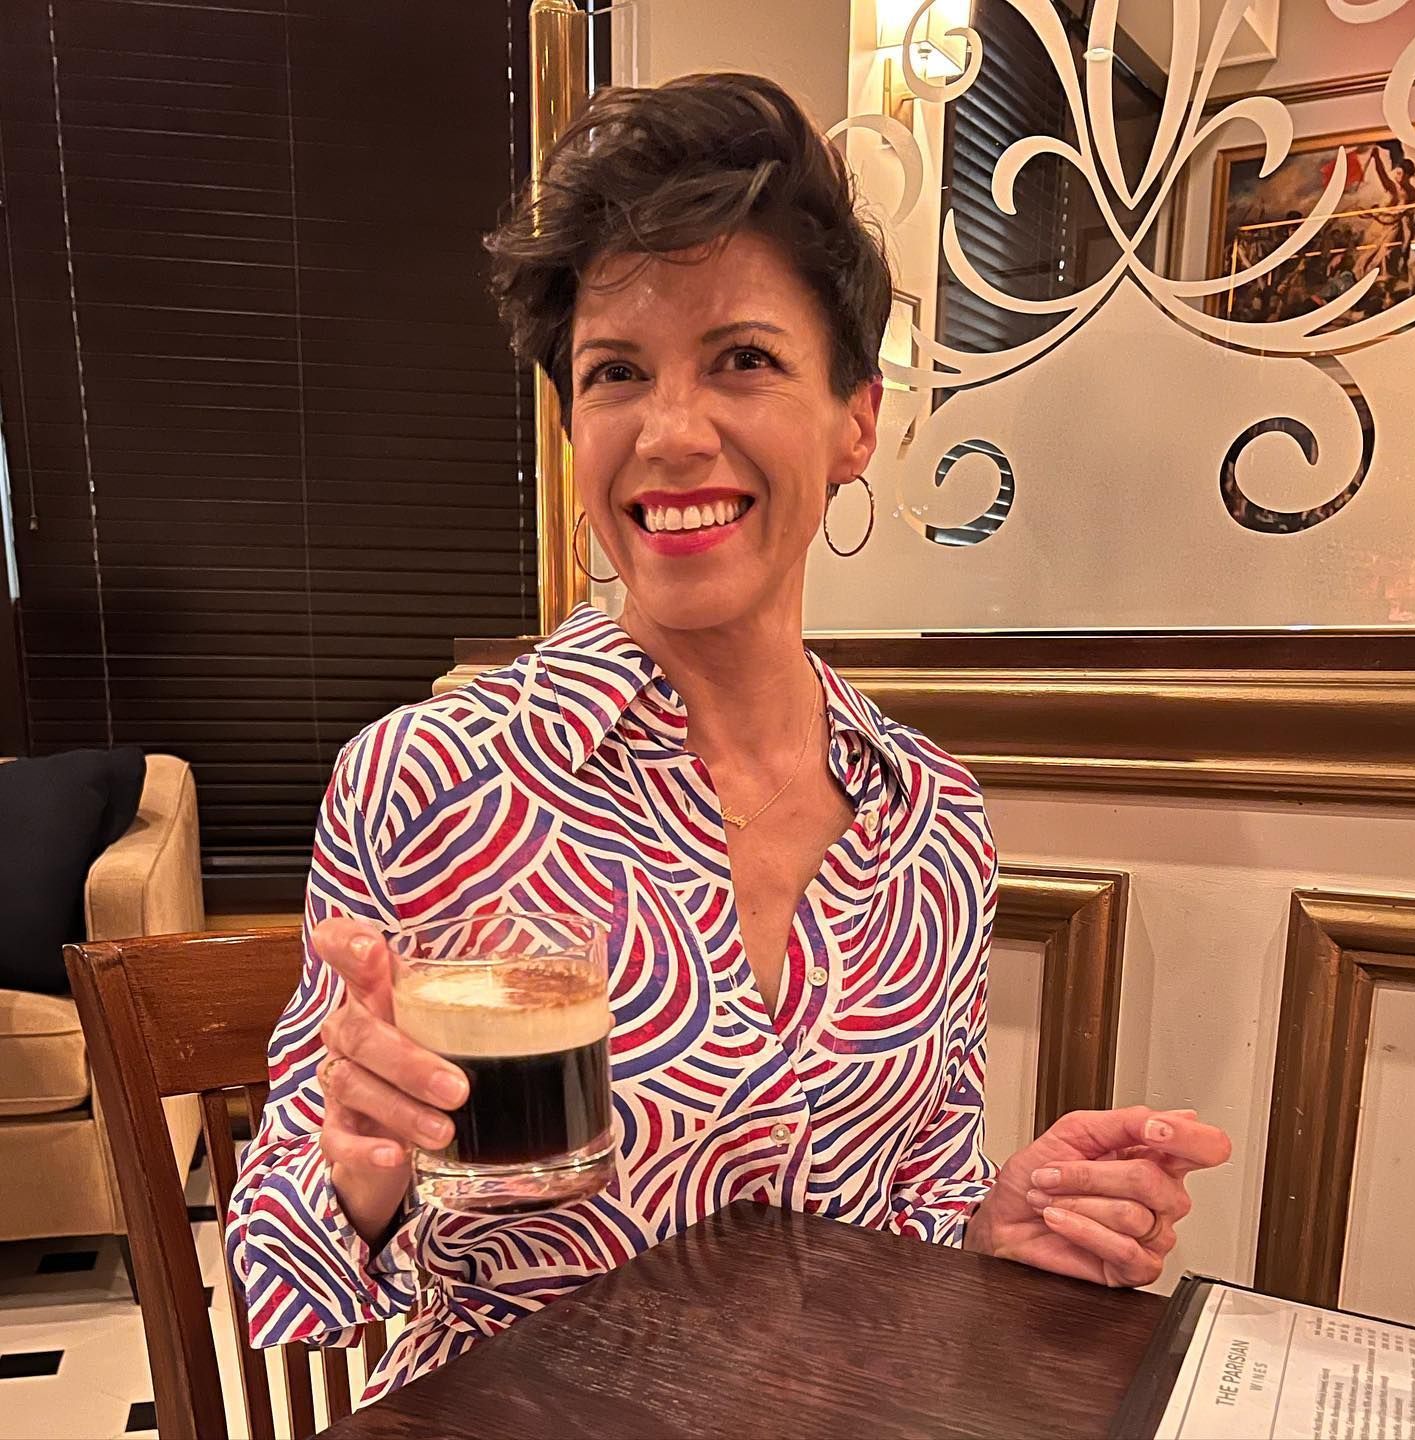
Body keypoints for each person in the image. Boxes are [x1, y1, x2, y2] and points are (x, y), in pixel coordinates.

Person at [225, 72, 1231, 1403]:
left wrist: (998, 1231)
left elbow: (911, 1216)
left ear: (857, 418)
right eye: (615, 374)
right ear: (572, 426)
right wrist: (353, 1168)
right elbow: (278, 1281)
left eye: (742, 360)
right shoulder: (434, 777)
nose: (671, 433)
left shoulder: (934, 819)